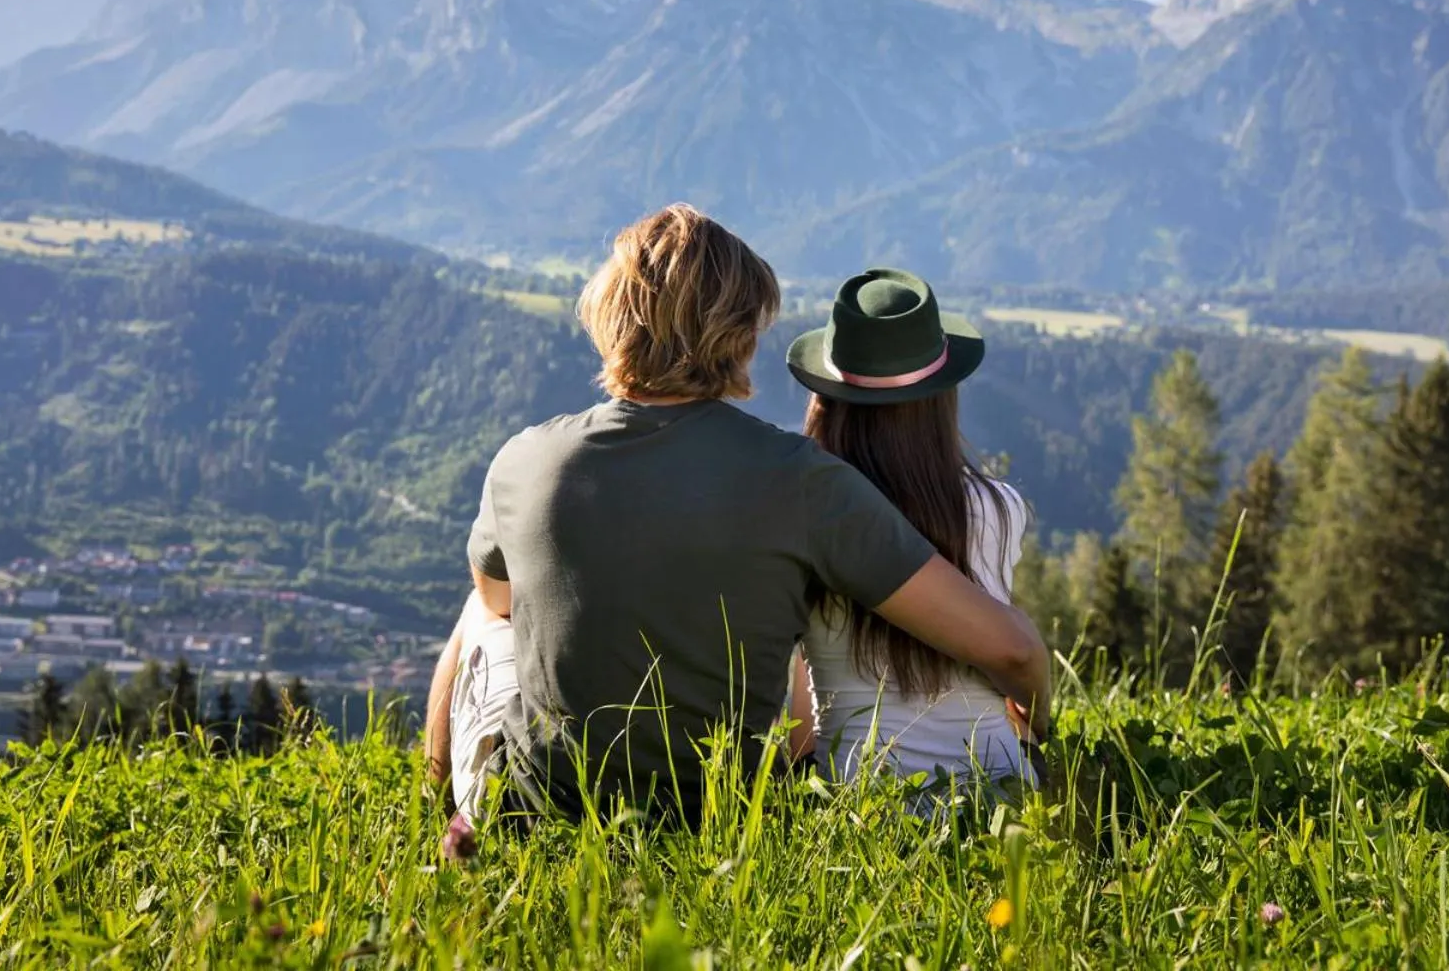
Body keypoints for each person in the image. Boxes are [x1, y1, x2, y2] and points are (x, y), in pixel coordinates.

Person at [425, 204, 1049, 824]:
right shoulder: (802, 480)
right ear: (745, 336)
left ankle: (433, 813)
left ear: (607, 316)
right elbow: (1013, 650)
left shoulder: (524, 459)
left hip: (537, 814)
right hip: (720, 818)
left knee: (479, 608)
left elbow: (500, 599)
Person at [784, 267, 1038, 788]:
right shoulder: (1000, 507)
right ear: (941, 399)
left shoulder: (804, 515)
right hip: (997, 789)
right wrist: (1038, 728)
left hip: (858, 798)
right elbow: (1009, 654)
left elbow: (804, 695)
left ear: (826, 400)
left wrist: (797, 774)